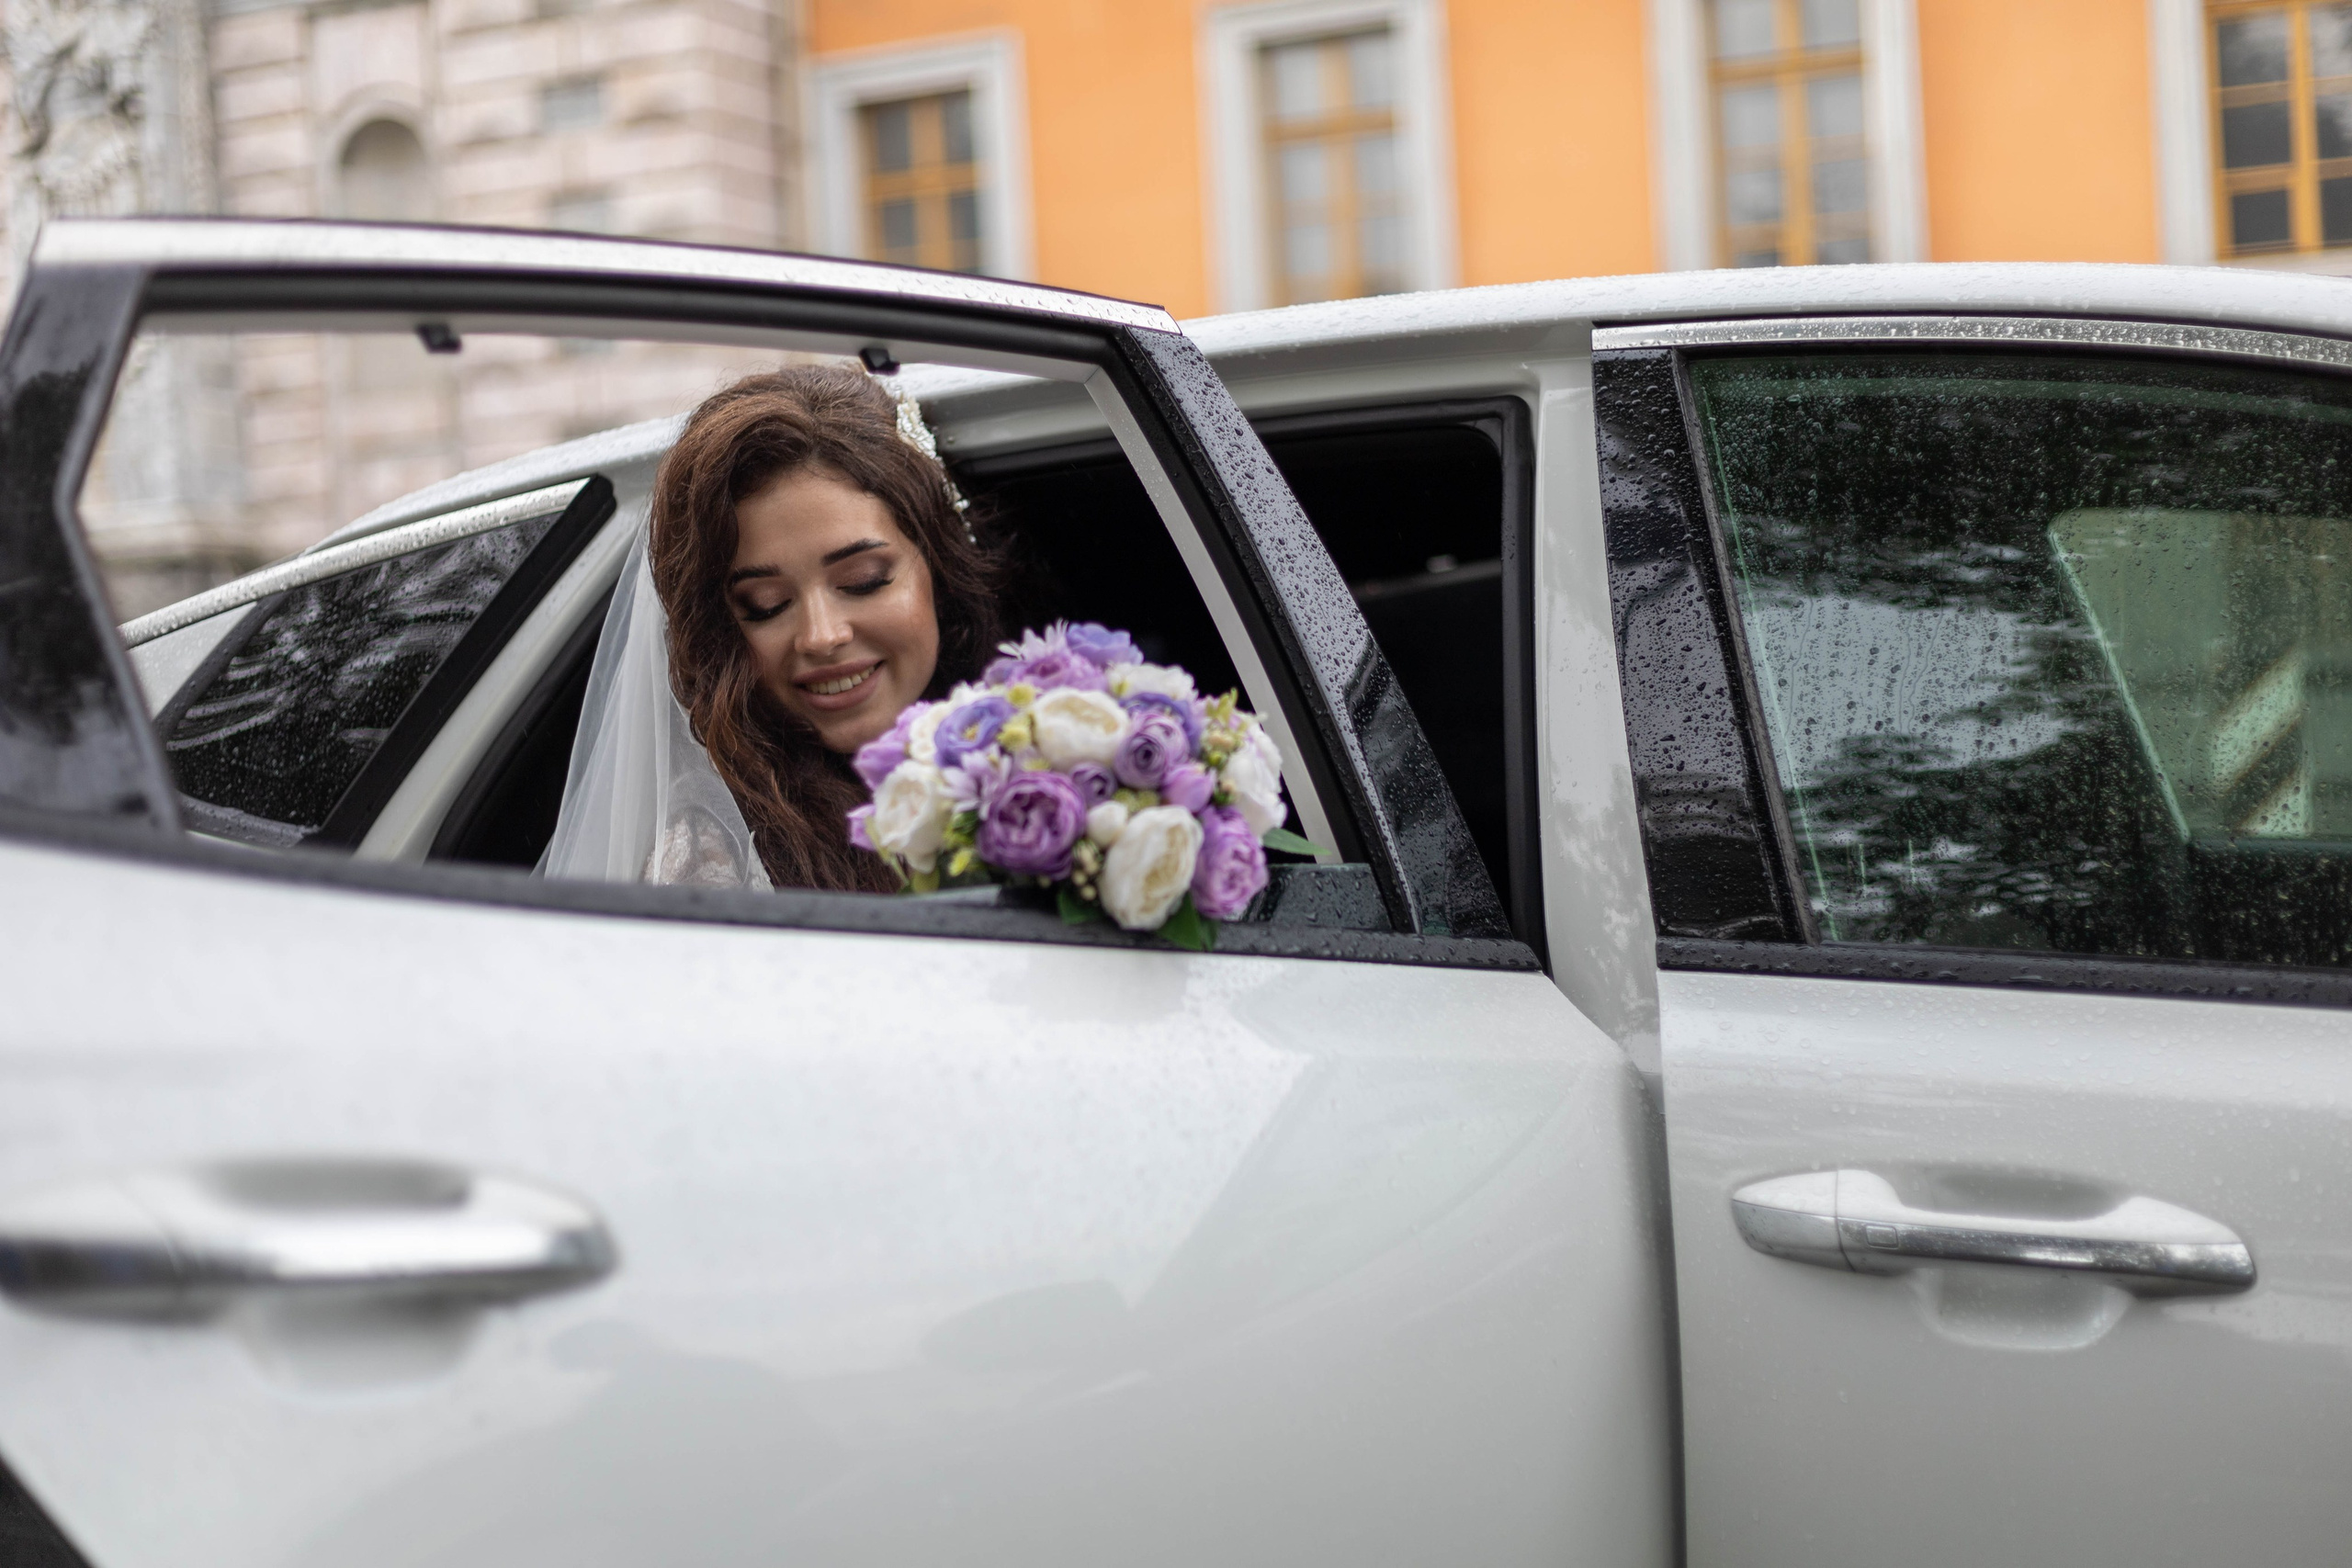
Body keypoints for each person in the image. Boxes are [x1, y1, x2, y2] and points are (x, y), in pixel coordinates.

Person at [539, 364, 1003, 891]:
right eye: (765, 605)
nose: (822, 636)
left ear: (937, 568)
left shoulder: (1048, 748)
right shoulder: (711, 858)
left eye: (862, 580)